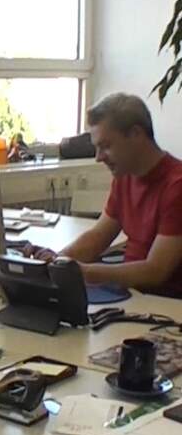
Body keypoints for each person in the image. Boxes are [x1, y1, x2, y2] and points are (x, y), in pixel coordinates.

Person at [25, 93, 182, 298]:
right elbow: (98, 237)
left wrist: (83, 272)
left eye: (106, 146)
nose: (99, 158)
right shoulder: (125, 176)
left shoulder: (176, 185)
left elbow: (155, 271)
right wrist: (57, 262)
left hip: (168, 306)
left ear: (136, 134)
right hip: (134, 296)